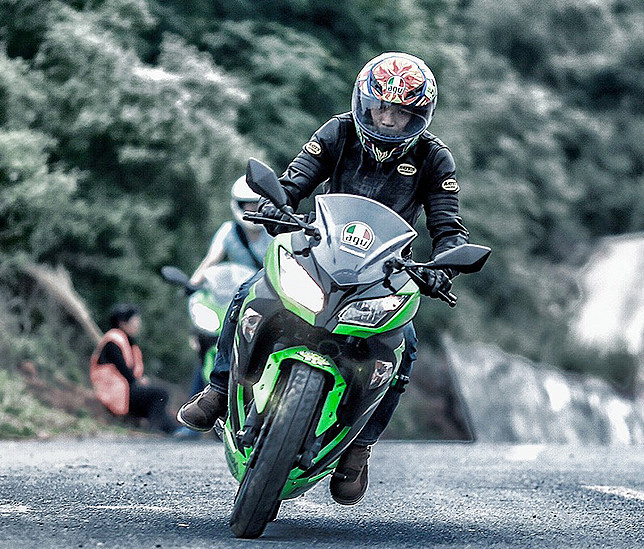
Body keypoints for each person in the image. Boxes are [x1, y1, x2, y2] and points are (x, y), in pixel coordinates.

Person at [178, 52, 470, 503]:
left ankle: (359, 447)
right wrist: (276, 204)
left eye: (400, 112)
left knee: (405, 348)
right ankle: (218, 390)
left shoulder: (434, 159)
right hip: (318, 251)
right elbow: (295, 181)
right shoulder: (337, 132)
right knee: (248, 293)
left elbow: (449, 228)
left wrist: (444, 266)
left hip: (387, 274)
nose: (387, 119)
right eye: (380, 107)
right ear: (364, 102)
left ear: (419, 116)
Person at [185, 177, 273, 395]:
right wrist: (192, 285)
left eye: (257, 205)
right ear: (238, 205)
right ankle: (199, 402)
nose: (253, 210)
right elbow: (210, 260)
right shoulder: (228, 231)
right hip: (232, 299)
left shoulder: (273, 232)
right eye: (248, 205)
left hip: (265, 300)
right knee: (209, 343)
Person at [90, 304, 192, 437]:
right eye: (135, 321)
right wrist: (138, 382)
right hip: (114, 394)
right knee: (160, 394)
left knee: (159, 402)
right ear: (123, 323)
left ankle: (176, 430)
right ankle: (157, 429)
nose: (138, 324)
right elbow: (124, 370)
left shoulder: (126, 341)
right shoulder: (113, 341)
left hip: (123, 391)